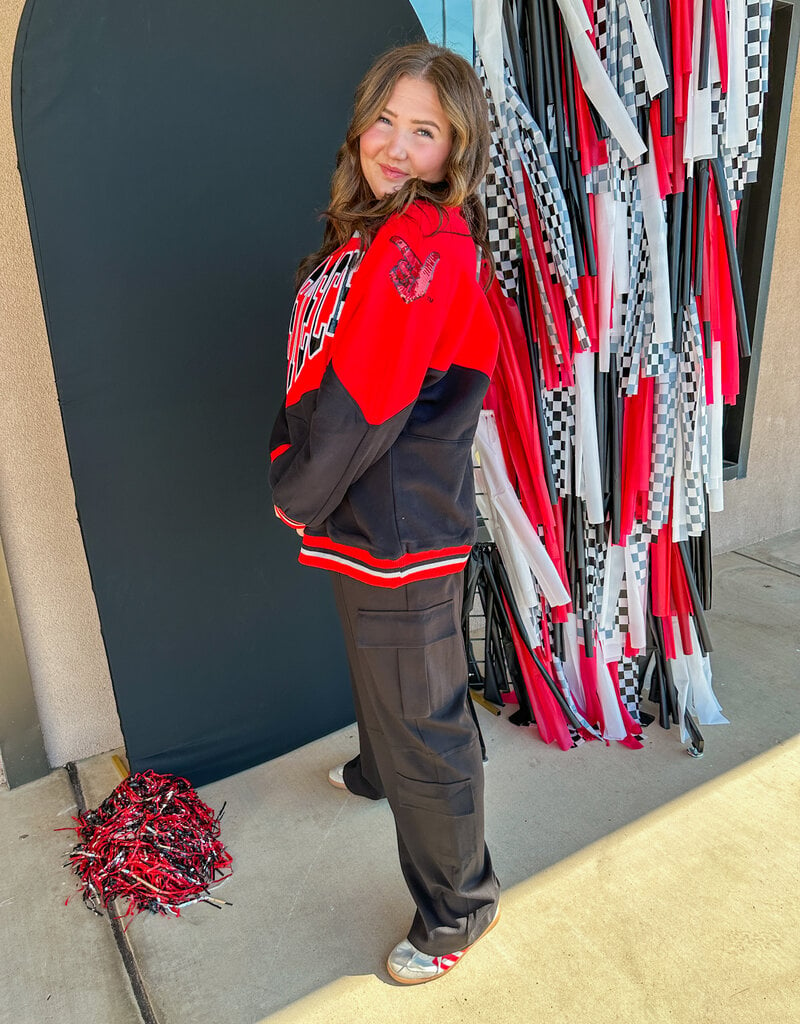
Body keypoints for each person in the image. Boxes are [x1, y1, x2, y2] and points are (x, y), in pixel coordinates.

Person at [269, 42, 501, 985]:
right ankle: (377, 769)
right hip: (362, 515)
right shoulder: (363, 233)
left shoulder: (422, 242)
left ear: (455, 150)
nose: (396, 147)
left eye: (425, 131)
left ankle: (459, 910)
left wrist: (297, 489)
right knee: (392, 682)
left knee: (425, 717)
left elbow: (368, 394)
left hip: (397, 523)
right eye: (386, 121)